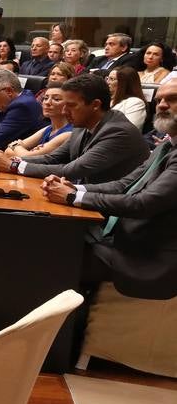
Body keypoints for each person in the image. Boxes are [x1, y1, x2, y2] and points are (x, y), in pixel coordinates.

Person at [43, 80, 177, 298]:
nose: (162, 105)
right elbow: (125, 184)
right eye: (160, 99)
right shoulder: (167, 144)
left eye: (172, 99)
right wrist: (77, 190)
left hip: (150, 258)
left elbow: (143, 203)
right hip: (125, 239)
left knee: (55, 255)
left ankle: (63, 329)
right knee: (48, 237)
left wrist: (72, 198)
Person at [0, 73, 147, 183]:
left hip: (110, 211)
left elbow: (71, 170)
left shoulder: (117, 131)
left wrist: (13, 165)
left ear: (95, 105)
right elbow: (52, 159)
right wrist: (6, 160)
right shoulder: (82, 125)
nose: (64, 111)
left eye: (70, 105)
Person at [4, 85, 73, 158]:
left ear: (69, 105)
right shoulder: (48, 128)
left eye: (56, 99)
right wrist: (27, 152)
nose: (47, 102)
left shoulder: (68, 133)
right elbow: (8, 152)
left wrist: (16, 146)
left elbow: (27, 157)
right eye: (45, 98)